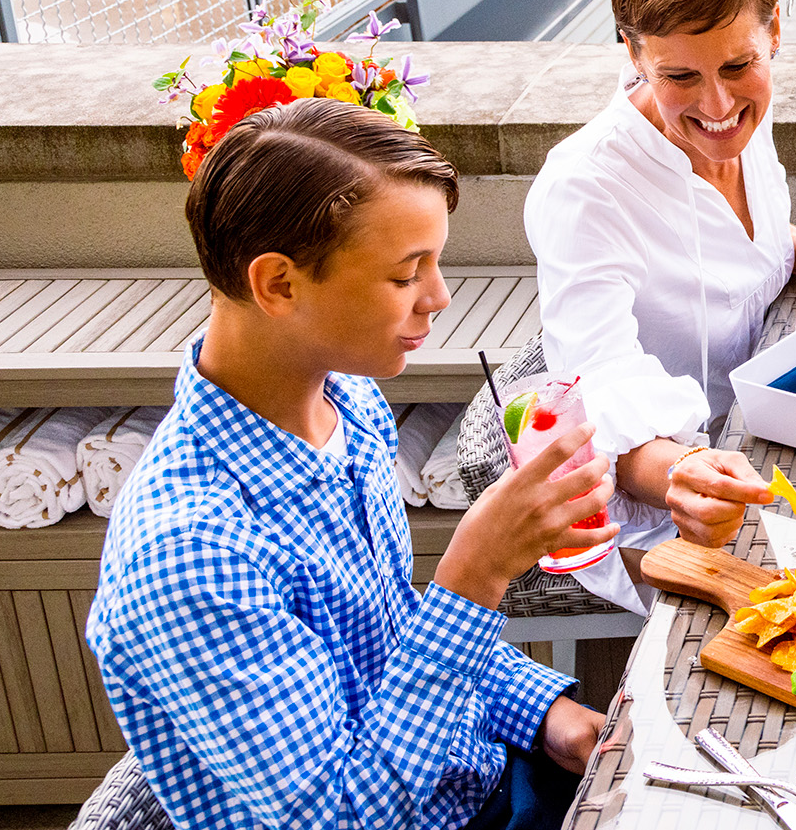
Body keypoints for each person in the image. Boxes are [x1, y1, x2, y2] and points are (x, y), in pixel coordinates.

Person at [88, 99, 613, 830]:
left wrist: (544, 710)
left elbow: (392, 648)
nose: (439, 297)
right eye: (406, 275)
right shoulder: (189, 556)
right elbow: (347, 815)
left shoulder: (350, 403)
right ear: (278, 284)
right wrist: (474, 578)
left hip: (486, 777)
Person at [525, 0, 796, 612]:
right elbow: (600, 385)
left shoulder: (744, 114)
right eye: (678, 76)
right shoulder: (584, 186)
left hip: (773, 425)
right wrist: (686, 471)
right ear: (633, 52)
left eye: (738, 65)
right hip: (665, 512)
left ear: (774, 32)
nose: (716, 104)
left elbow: (750, 250)